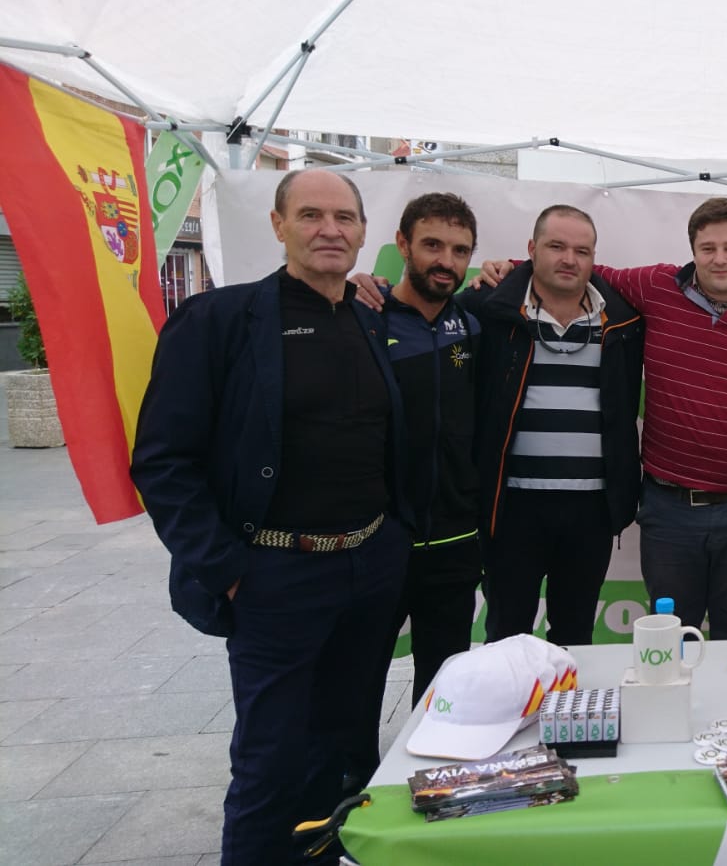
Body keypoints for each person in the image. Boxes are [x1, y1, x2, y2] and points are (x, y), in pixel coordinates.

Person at [130, 169, 410, 865]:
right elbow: (162, 461)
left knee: (338, 754)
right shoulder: (219, 320)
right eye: (311, 215)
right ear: (279, 225)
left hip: (368, 569)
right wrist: (228, 570)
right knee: (269, 766)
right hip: (274, 576)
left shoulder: (367, 319)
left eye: (344, 218)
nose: (330, 230)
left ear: (363, 233)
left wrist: (391, 543)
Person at [592, 197, 727, 639]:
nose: (720, 259)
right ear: (693, 250)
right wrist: (510, 269)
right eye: (708, 248)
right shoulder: (656, 286)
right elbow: (582, 271)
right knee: (670, 639)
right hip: (669, 510)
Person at [460, 204, 644, 646]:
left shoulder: (623, 319)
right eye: (556, 246)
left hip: (591, 511)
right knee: (508, 635)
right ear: (531, 249)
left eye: (582, 251)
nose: (569, 259)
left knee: (575, 635)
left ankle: (567, 695)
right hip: (512, 507)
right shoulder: (486, 308)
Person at [377, 192, 483, 706]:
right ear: (403, 244)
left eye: (460, 251)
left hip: (454, 539)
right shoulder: (365, 318)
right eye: (432, 245)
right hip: (380, 539)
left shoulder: (474, 324)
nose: (446, 261)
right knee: (358, 678)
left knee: (443, 688)